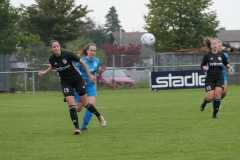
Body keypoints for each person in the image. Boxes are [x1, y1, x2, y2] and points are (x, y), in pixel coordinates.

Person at [38, 40, 106, 135]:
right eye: (54, 47)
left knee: (86, 104)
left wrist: (90, 75)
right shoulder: (52, 59)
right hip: (66, 83)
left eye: (57, 46)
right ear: (51, 49)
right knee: (71, 105)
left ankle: (99, 116)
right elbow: (53, 66)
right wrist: (44, 73)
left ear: (60, 46)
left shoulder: (68, 54)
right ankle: (77, 128)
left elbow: (82, 62)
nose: (56, 48)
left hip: (77, 80)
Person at [74, 43, 106, 131]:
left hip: (91, 86)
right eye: (91, 50)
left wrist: (100, 71)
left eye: (94, 51)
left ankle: (84, 127)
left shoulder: (97, 61)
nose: (93, 52)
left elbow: (96, 71)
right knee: (78, 109)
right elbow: (75, 73)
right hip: (80, 86)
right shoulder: (81, 61)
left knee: (91, 105)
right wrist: (81, 81)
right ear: (87, 51)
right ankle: (69, 100)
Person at [199, 38, 230, 118]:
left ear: (218, 45)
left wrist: (228, 66)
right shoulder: (207, 55)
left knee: (217, 95)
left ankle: (214, 115)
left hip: (219, 77)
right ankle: (205, 102)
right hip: (210, 78)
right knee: (210, 97)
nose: (215, 45)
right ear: (211, 46)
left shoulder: (221, 55)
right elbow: (202, 65)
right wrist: (204, 67)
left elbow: (226, 64)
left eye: (216, 43)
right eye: (213, 44)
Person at [211, 42, 229, 111]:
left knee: (224, 92)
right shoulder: (212, 55)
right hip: (215, 74)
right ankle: (214, 107)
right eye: (218, 46)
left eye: (221, 46)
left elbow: (227, 64)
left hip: (223, 74)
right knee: (216, 91)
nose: (220, 47)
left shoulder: (225, 55)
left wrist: (227, 66)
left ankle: (216, 100)